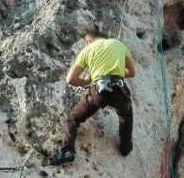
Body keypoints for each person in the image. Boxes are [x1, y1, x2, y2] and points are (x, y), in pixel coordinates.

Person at [49, 32, 136, 165]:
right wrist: (115, 72)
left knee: (73, 117)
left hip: (99, 91)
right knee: (126, 115)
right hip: (119, 89)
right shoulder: (119, 45)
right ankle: (126, 148)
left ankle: (67, 151)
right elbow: (131, 72)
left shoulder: (88, 49)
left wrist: (86, 82)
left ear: (88, 41)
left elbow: (70, 79)